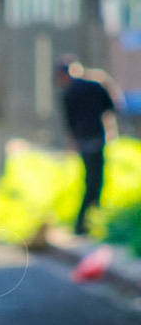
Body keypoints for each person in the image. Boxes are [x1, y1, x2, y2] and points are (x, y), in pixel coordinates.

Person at [56, 57, 118, 235]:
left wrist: (73, 142)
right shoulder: (96, 84)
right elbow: (112, 106)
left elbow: (69, 123)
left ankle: (86, 222)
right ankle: (90, 221)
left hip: (84, 140)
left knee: (90, 181)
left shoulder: (69, 92)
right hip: (97, 138)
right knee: (96, 181)